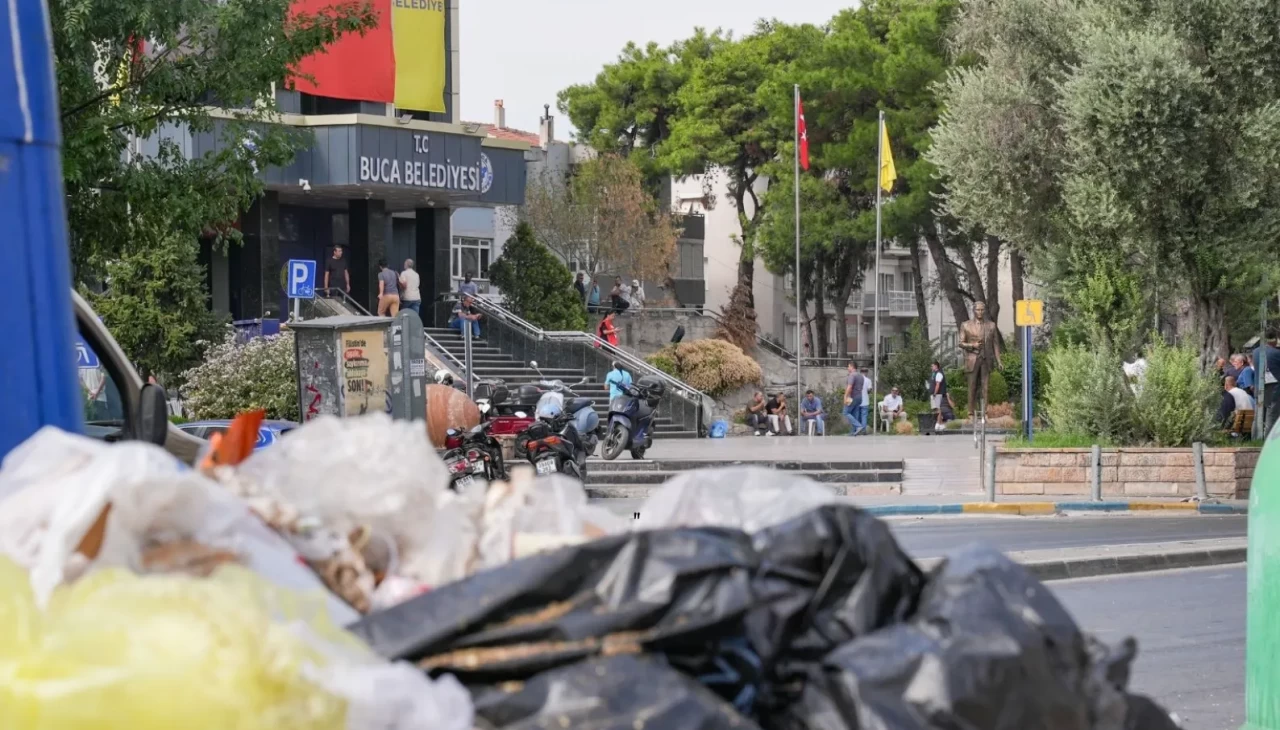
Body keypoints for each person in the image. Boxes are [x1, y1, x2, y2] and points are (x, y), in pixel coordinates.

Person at [843, 362, 866, 436]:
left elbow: (849, 387)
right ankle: (853, 432)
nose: (848, 368)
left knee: (845, 412)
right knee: (854, 413)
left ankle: (858, 426)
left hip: (853, 397)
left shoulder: (852, 375)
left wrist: (845, 396)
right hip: (860, 397)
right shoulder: (861, 376)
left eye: (848, 366)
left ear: (852, 367)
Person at [929, 361, 948, 430]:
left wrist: (935, 393)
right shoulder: (934, 374)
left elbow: (938, 384)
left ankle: (938, 423)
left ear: (936, 366)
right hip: (934, 394)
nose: (931, 367)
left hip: (937, 394)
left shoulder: (939, 374)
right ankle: (941, 423)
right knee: (936, 409)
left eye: (932, 366)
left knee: (938, 409)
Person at [860, 367, 873, 431]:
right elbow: (869, 390)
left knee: (857, 416)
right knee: (864, 416)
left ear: (860, 372)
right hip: (865, 401)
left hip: (857, 401)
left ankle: (857, 430)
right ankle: (863, 430)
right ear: (866, 372)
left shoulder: (857, 379)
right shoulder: (868, 380)